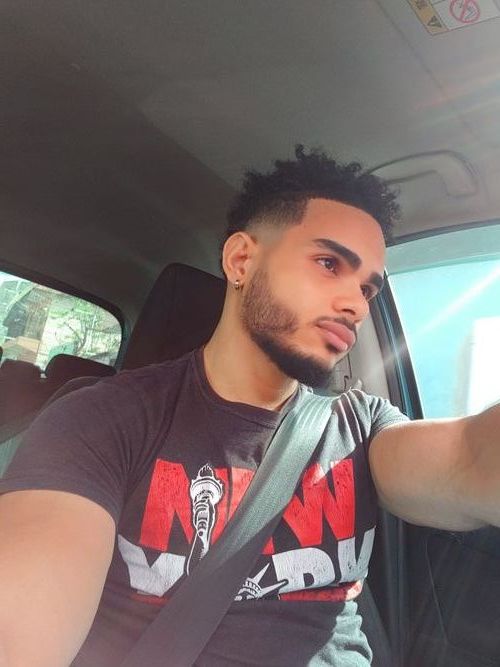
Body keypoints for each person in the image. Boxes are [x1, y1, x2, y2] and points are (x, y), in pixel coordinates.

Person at [0, 146, 499, 667]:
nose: (356, 304)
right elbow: (22, 629)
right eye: (329, 264)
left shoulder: (362, 427)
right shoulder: (102, 420)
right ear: (241, 261)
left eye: (367, 288)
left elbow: (468, 457)